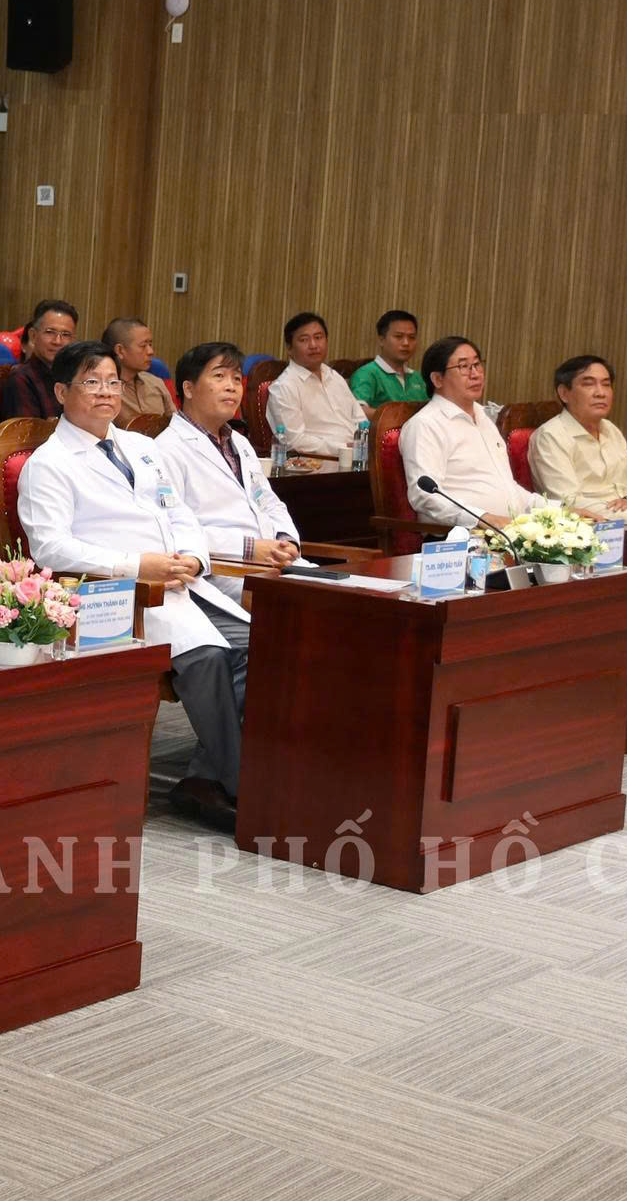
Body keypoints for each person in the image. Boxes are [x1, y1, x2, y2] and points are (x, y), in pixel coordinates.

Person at [17, 341, 249, 826]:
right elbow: (51, 550)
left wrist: (194, 556)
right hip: (119, 597)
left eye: (112, 382)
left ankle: (205, 778)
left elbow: (179, 512)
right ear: (60, 392)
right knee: (207, 658)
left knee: (263, 645)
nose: (106, 392)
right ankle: (240, 785)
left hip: (181, 584)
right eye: (91, 382)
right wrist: (138, 565)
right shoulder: (48, 463)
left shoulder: (142, 447)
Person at [151, 341, 300, 827]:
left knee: (332, 621)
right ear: (188, 388)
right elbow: (177, 526)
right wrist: (252, 549)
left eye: (237, 378)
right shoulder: (167, 450)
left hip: (268, 566)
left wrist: (285, 540)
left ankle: (210, 774)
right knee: (268, 645)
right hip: (219, 576)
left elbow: (269, 501)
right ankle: (220, 775)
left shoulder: (239, 442)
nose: (232, 387)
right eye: (219, 376)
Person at [400, 336, 539, 526]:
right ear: (438, 379)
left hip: (508, 530)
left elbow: (508, 489)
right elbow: (424, 496)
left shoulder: (484, 417)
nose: (475, 374)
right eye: (463, 367)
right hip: (461, 536)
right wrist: (482, 518)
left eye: (477, 364)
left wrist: (560, 510)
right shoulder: (425, 425)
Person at [529, 355, 627, 521]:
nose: (600, 393)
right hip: (586, 527)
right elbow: (569, 501)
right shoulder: (550, 436)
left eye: (606, 384)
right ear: (564, 393)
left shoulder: (611, 430)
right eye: (588, 384)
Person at [264, 312, 364, 460]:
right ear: (289, 348)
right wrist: (343, 448)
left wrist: (363, 445)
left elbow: (360, 420)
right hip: (317, 464)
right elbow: (294, 441)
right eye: (304, 340)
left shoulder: (334, 377)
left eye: (318, 337)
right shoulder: (284, 387)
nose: (313, 345)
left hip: (357, 458)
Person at [0, 299, 78, 422]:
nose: (57, 341)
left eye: (66, 335)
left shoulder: (74, 377)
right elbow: (25, 432)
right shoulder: (20, 379)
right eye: (50, 332)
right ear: (33, 336)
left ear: (73, 341)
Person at [350, 310, 425, 409]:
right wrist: (396, 416)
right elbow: (359, 411)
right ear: (381, 340)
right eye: (398, 336)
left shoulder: (418, 378)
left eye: (412, 337)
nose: (406, 343)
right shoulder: (367, 374)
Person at [105, 317, 172, 423]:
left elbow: (175, 424)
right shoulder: (102, 389)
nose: (150, 351)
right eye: (143, 346)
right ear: (120, 350)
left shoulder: (156, 383)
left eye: (150, 345)